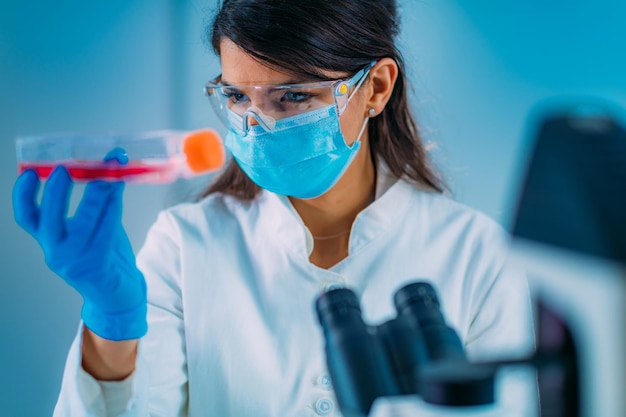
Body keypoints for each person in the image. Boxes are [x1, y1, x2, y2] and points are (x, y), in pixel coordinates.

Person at [12, 0, 536, 416]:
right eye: (238, 98)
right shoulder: (184, 244)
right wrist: (113, 324)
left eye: (292, 97)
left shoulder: (476, 253)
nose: (256, 127)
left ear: (375, 88)